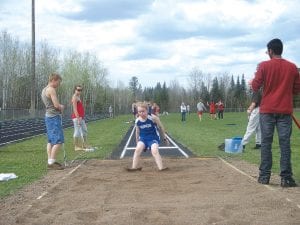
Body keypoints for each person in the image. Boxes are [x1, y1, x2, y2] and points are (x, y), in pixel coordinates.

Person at [252, 38, 300, 187]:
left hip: (267, 110)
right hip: (285, 111)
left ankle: (264, 176)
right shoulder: (292, 67)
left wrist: (255, 81)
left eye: (268, 51)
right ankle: (286, 178)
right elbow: (297, 89)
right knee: (284, 144)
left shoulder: (264, 66)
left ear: (271, 51)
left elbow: (255, 86)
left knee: (266, 143)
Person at [127, 102, 169, 171]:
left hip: (153, 137)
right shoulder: (137, 120)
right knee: (137, 149)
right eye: (139, 112)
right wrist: (137, 142)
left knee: (154, 150)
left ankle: (161, 168)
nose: (141, 113)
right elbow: (137, 132)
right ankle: (134, 168)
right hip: (143, 138)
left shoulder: (153, 118)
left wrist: (165, 138)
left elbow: (161, 127)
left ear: (147, 110)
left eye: (143, 111)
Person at [41, 73, 65, 170]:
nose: (59, 84)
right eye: (58, 82)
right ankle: (51, 162)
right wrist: (61, 107)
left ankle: (50, 160)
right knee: (59, 141)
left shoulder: (44, 89)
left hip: (48, 117)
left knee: (50, 141)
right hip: (53, 117)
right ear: (54, 80)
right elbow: (56, 105)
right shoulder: (51, 89)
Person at [241, 80, 262, 150]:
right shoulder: (257, 91)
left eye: (250, 84)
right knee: (258, 128)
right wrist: (249, 108)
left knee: (250, 127)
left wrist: (249, 111)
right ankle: (259, 144)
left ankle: (243, 144)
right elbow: (253, 103)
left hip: (257, 111)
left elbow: (254, 104)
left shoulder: (256, 91)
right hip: (260, 110)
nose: (249, 86)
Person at [71, 85, 88, 151]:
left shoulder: (78, 96)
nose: (79, 91)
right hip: (77, 118)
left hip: (81, 117)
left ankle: (84, 145)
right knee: (77, 132)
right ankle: (76, 147)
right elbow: (75, 109)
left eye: (80, 90)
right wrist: (78, 118)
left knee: (84, 130)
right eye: (78, 90)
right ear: (75, 90)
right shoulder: (74, 97)